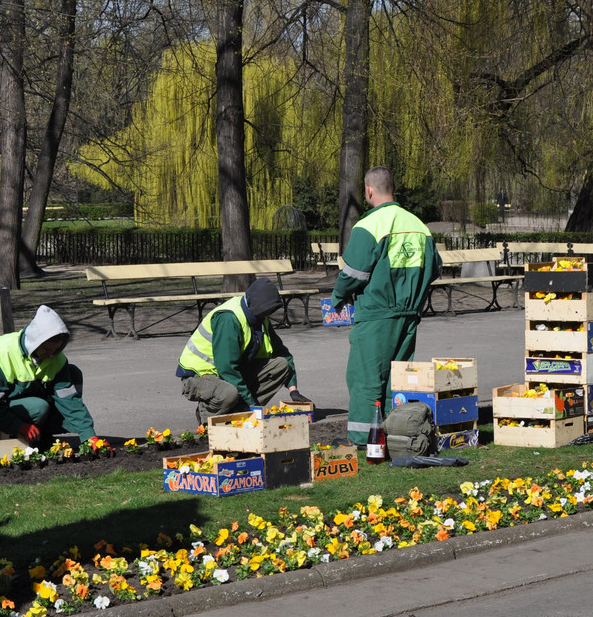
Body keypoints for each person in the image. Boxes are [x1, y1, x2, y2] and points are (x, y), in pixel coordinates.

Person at [330, 165, 442, 446]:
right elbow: (435, 267)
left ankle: (361, 438)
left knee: (365, 378)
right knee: (398, 379)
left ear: (369, 191)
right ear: (391, 188)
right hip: (409, 314)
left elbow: (353, 272)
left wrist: (337, 297)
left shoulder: (369, 226)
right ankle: (398, 436)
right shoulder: (419, 226)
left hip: (376, 314)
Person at [0, 305, 99, 446]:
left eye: (55, 349)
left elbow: (69, 399)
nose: (51, 354)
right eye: (47, 349)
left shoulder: (56, 358)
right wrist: (19, 426)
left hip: (20, 398)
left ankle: (40, 435)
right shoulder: (0, 353)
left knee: (73, 373)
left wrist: (89, 435)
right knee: (39, 407)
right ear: (35, 342)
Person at [178, 278, 309, 423]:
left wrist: (293, 390)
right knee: (229, 393)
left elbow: (281, 352)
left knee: (281, 365)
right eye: (267, 310)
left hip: (230, 372)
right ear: (258, 306)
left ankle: (238, 410)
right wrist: (251, 403)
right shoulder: (229, 318)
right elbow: (227, 368)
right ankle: (207, 415)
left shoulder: (260, 317)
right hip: (199, 376)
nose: (269, 314)